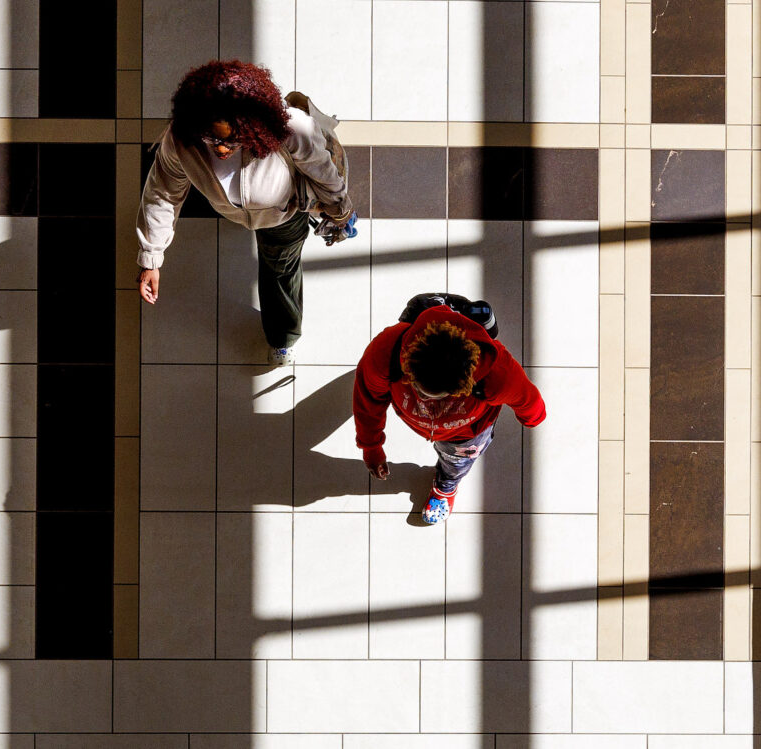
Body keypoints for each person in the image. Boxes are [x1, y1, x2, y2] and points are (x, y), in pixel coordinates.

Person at [135, 60, 354, 367]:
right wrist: (151, 257)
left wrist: (341, 212)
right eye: (211, 139)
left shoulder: (290, 127)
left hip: (283, 216)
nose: (222, 149)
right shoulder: (181, 138)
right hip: (235, 211)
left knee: (279, 270)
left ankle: (283, 336)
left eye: (232, 139)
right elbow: (162, 193)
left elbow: (324, 174)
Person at [351, 302, 546, 524]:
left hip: (466, 436)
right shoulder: (386, 352)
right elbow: (368, 402)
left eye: (437, 396)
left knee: (456, 464)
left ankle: (446, 486)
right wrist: (371, 446)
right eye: (417, 388)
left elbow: (527, 397)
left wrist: (532, 418)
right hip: (436, 420)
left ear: (464, 385)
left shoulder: (496, 373)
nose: (422, 400)